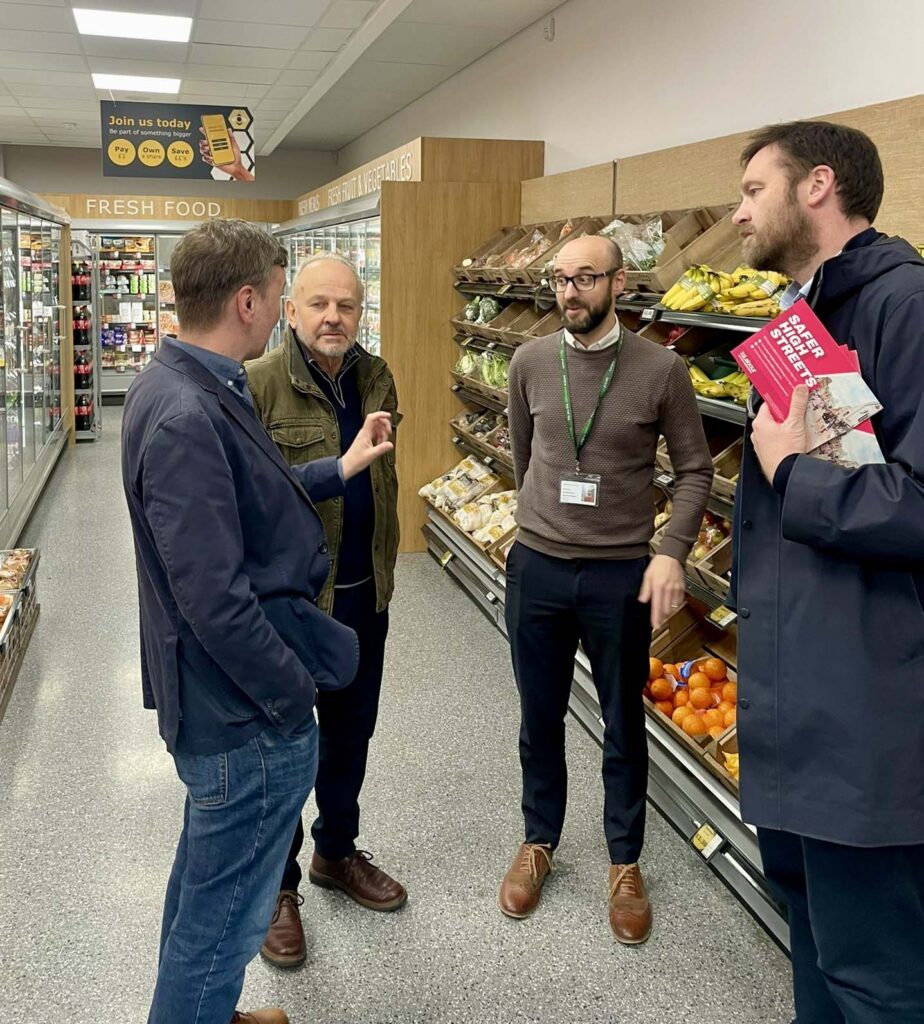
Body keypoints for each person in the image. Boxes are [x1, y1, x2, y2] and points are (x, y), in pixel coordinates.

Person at [121, 219, 393, 1024]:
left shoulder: (194, 383)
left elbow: (248, 501)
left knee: (206, 883)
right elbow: (213, 599)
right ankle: (200, 1008)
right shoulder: (185, 415)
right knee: (222, 919)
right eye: (280, 296)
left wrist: (336, 470)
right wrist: (288, 698)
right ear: (248, 300)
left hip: (223, 705)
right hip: (239, 716)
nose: (283, 313)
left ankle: (212, 1009)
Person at [730, 121, 924, 1023]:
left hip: (865, 716)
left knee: (876, 973)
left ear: (816, 186)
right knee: (811, 939)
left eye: (750, 192)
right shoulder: (800, 319)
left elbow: (917, 502)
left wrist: (789, 470)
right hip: (793, 701)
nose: (737, 216)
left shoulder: (905, 306)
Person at [500, 234, 713, 943]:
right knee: (539, 715)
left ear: (619, 284)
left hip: (621, 572)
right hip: (538, 565)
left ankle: (625, 861)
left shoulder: (662, 369)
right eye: (560, 279)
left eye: (585, 278)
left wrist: (672, 551)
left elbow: (694, 472)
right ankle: (540, 841)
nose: (569, 292)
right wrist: (542, 524)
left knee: (624, 719)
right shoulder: (530, 360)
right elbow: (527, 457)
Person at [246, 254, 405, 969]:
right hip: (291, 607)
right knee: (285, 747)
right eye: (318, 304)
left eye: (346, 304)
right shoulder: (255, 386)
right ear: (291, 311)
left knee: (351, 735)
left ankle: (335, 852)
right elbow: (254, 501)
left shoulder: (377, 376)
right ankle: (279, 887)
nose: (333, 317)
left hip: (362, 596)